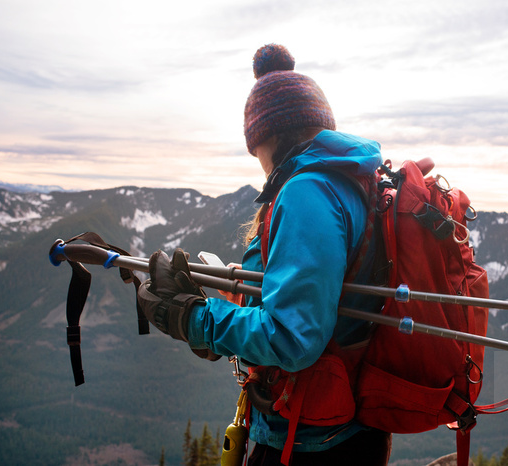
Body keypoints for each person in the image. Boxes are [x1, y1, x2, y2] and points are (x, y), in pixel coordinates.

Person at [137, 44, 392, 465]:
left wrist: (193, 318)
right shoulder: (352, 182)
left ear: (267, 136)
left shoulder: (307, 193)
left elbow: (293, 338)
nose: (258, 162)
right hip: (345, 432)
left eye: (255, 149)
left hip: (311, 443)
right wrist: (235, 291)